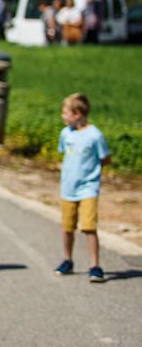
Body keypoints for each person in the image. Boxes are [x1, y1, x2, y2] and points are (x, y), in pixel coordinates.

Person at [54, 93, 111, 282]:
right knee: (67, 227)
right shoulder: (65, 134)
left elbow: (105, 158)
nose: (63, 117)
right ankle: (67, 259)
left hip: (88, 188)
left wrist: (92, 174)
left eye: (66, 113)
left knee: (88, 227)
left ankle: (95, 265)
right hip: (68, 188)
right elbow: (63, 154)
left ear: (77, 114)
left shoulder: (95, 136)